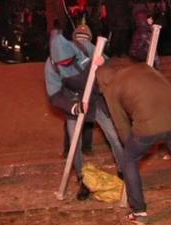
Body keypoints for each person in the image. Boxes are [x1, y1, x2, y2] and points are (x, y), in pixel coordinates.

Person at [96, 63, 171, 224]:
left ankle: (139, 212)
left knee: (129, 160)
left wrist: (131, 145)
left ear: (103, 82)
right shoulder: (145, 68)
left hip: (148, 125)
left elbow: (121, 124)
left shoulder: (111, 88)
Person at [44, 30, 124, 201]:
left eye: (69, 61)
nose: (66, 66)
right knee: (74, 144)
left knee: (114, 136)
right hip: (72, 100)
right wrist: (73, 108)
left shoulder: (86, 47)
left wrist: (103, 64)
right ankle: (83, 180)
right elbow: (54, 96)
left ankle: (124, 171)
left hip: (94, 97)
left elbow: (111, 67)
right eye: (62, 64)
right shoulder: (50, 66)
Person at [62, 24, 96, 158]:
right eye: (79, 38)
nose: (82, 41)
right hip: (72, 91)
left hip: (88, 90)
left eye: (85, 38)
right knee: (71, 119)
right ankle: (68, 148)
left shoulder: (93, 51)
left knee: (88, 119)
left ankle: (86, 147)